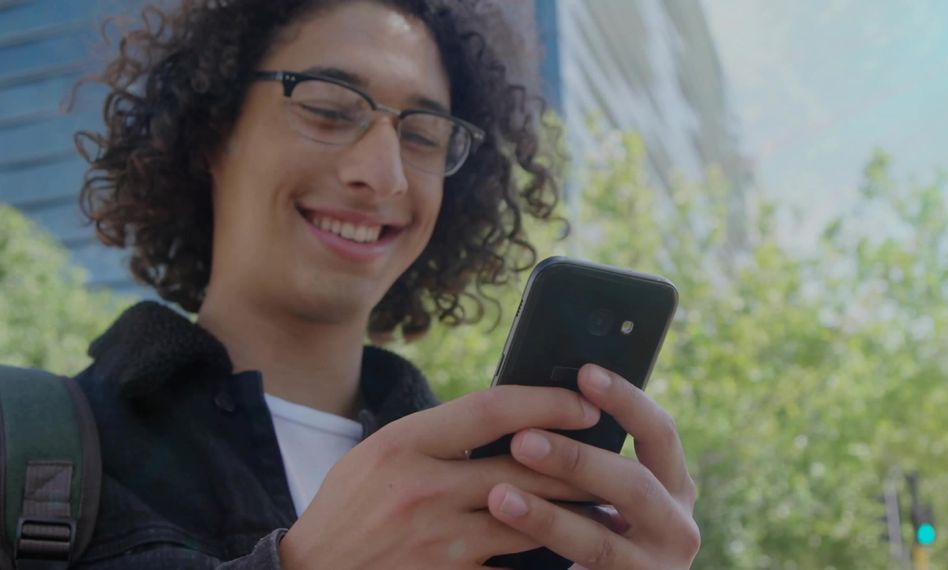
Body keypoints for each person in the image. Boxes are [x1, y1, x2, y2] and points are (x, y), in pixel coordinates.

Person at [59, 0, 700, 567]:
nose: (384, 174)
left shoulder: (496, 494)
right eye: (329, 109)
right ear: (212, 129)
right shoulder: (39, 451)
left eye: (423, 135)